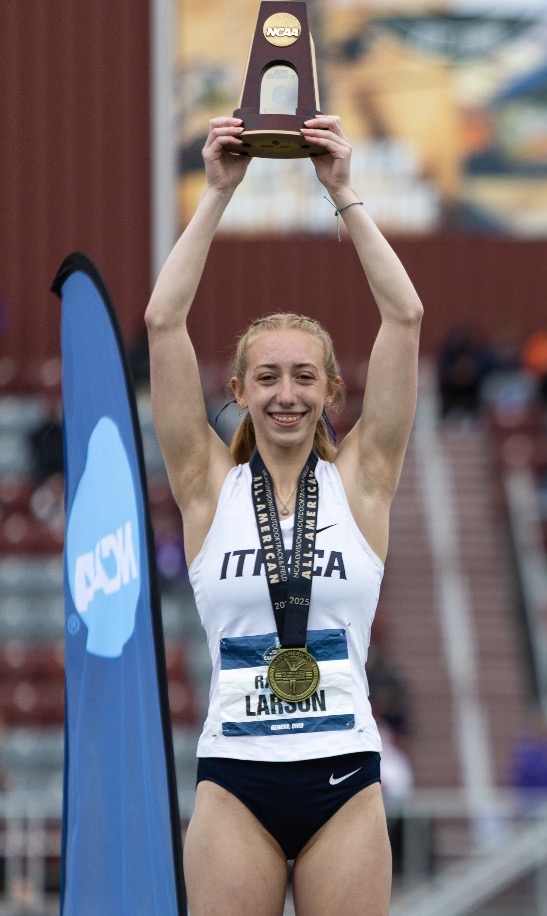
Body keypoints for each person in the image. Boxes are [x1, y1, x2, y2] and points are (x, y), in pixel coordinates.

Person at [146, 115, 422, 915]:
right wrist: (218, 192)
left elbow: (404, 318)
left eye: (305, 376)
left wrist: (342, 193)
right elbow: (164, 322)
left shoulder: (364, 482)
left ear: (334, 392)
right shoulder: (206, 486)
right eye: (266, 377)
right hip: (235, 777)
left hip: (344, 776)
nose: (287, 394)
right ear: (237, 391)